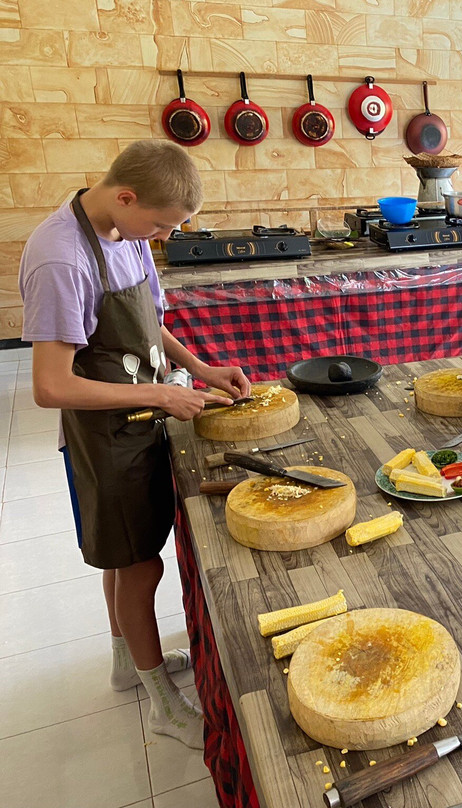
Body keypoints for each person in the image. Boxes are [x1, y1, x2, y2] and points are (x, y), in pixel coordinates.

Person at [19, 141, 251, 747]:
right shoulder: (61, 258)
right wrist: (159, 398)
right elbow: (50, 386)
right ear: (125, 196)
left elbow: (151, 325)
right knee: (139, 563)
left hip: (141, 420)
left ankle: (129, 663)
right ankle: (161, 704)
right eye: (160, 224)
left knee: (124, 556)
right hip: (105, 437)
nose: (161, 236)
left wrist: (200, 370)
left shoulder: (127, 235)